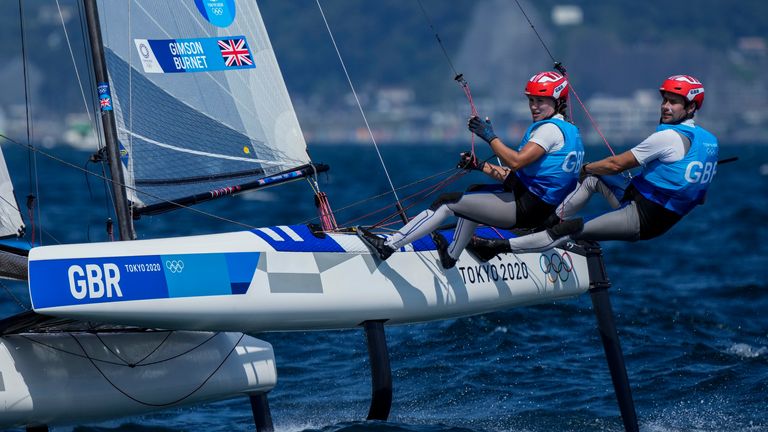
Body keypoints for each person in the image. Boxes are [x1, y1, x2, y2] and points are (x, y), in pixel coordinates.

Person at [469, 74, 719, 257]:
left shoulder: (667, 137)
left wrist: (585, 168)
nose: (665, 106)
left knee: (571, 229)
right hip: (646, 206)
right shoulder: (710, 142)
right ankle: (546, 223)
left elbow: (614, 164)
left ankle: (497, 248)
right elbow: (701, 197)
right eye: (665, 99)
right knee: (594, 180)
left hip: (641, 219)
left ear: (691, 107)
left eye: (674, 102)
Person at [357, 71, 585, 269]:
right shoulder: (569, 131)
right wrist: (479, 165)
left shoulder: (549, 131)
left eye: (540, 101)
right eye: (531, 100)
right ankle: (450, 256)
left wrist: (489, 136)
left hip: (526, 209)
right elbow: (515, 177)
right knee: (474, 192)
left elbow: (516, 162)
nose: (534, 106)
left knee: (447, 203)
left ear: (558, 102)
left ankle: (387, 246)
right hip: (535, 206)